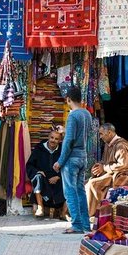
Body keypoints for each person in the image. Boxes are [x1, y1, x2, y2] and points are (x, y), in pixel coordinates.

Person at [53, 86, 91, 234]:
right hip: (83, 156)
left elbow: (69, 142)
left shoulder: (73, 116)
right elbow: (81, 135)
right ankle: (85, 225)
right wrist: (65, 131)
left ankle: (76, 225)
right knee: (80, 191)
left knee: (70, 192)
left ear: (68, 99)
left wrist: (60, 162)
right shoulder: (86, 114)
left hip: (72, 158)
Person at [86, 123, 128, 216]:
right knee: (87, 182)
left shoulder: (121, 145)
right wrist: (99, 165)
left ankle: (94, 213)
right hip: (110, 173)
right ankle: (87, 212)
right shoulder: (108, 145)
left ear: (109, 133)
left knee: (93, 184)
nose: (100, 137)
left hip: (120, 175)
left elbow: (124, 165)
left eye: (101, 134)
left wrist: (104, 168)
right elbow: (105, 161)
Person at [26, 128, 67, 219]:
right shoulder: (39, 149)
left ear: (59, 141)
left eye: (56, 139)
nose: (53, 140)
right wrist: (37, 172)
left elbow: (66, 167)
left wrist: (58, 176)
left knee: (69, 183)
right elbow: (30, 165)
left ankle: (64, 212)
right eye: (52, 137)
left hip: (57, 180)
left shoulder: (62, 151)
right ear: (48, 137)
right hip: (44, 179)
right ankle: (40, 207)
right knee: (38, 177)